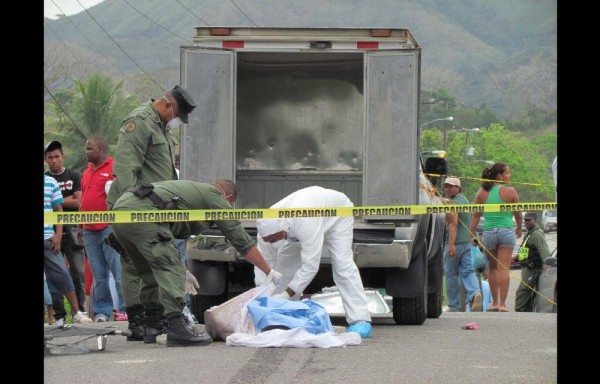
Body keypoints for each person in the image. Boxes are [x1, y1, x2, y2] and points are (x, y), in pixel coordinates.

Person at [110, 179, 281, 347]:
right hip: (144, 214)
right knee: (169, 267)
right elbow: (238, 237)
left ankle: (152, 325)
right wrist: (268, 270)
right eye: (229, 204)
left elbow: (169, 239)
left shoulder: (191, 193)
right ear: (227, 195)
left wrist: (183, 270)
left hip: (121, 212)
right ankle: (176, 328)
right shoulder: (215, 195)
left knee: (149, 271)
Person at [106, 85, 197, 341]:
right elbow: (125, 172)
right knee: (135, 265)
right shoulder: (139, 122)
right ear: (167, 105)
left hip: (154, 207)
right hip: (134, 206)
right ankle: (137, 323)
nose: (176, 121)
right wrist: (128, 212)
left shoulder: (161, 126)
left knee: (149, 263)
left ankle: (150, 323)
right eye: (176, 115)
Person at [255, 186, 372, 338]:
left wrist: (286, 294)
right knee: (284, 264)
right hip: (302, 222)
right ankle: (282, 313)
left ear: (282, 230)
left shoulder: (304, 221)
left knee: (342, 264)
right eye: (267, 241)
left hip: (337, 214)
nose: (270, 243)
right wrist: (259, 292)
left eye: (272, 240)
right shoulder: (266, 227)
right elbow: (263, 262)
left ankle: (360, 319)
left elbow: (310, 265)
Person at [78, 135, 126, 322]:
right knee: (99, 275)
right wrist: (80, 225)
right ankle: (102, 312)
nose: (86, 152)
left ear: (101, 150)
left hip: (109, 228)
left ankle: (124, 309)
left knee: (119, 272)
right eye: (86, 148)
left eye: (90, 149)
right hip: (89, 231)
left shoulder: (114, 169)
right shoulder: (87, 171)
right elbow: (84, 201)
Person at [469, 162, 522, 312]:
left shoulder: (481, 192)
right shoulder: (510, 191)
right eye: (507, 173)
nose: (509, 176)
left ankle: (494, 303)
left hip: (489, 233)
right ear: (499, 176)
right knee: (503, 269)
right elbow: (518, 213)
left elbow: (476, 215)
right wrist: (519, 227)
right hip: (506, 231)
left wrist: (471, 233)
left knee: (492, 269)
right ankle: (502, 305)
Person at [44, 140, 87, 324]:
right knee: (52, 278)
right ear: (45, 159)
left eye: (57, 156)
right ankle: (58, 316)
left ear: (62, 157)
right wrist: (67, 199)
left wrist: (57, 235)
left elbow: (74, 204)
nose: (54, 160)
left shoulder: (66, 177)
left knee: (70, 272)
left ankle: (79, 311)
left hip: (59, 234)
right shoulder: (49, 178)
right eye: (50, 157)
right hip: (54, 233)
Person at [442, 177, 483, 312]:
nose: (447, 189)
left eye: (451, 186)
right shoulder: (464, 200)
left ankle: (453, 306)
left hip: (455, 243)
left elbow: (453, 224)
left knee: (451, 275)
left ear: (458, 188)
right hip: (466, 243)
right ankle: (475, 293)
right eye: (446, 186)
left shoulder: (453, 203)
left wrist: (451, 245)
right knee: (468, 271)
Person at [513, 212, 550, 312]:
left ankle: (520, 311)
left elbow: (543, 250)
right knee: (526, 291)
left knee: (523, 291)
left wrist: (547, 263)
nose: (526, 222)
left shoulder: (537, 234)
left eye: (529, 220)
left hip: (533, 269)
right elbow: (526, 249)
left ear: (535, 220)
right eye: (525, 220)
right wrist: (516, 257)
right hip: (527, 268)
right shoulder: (530, 233)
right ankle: (526, 311)